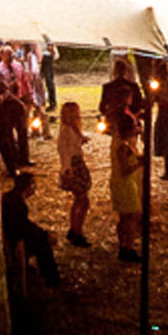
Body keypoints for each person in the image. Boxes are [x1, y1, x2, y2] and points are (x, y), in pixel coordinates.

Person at [1, 171, 61, 288]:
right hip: (13, 241)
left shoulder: (11, 197)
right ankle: (52, 280)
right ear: (29, 186)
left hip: (12, 234)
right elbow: (22, 227)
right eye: (34, 184)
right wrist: (44, 234)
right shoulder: (18, 204)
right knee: (43, 245)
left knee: (41, 239)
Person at [109, 111, 145, 262]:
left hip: (120, 182)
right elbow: (125, 169)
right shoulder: (122, 147)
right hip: (124, 183)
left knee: (124, 216)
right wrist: (139, 164)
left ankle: (123, 245)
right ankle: (128, 248)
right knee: (132, 216)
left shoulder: (120, 143)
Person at [56, 101, 92, 247]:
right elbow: (64, 151)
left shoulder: (71, 129)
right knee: (82, 200)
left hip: (77, 164)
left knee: (80, 200)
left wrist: (81, 141)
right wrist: (67, 169)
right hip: (73, 167)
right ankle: (76, 232)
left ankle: (74, 229)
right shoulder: (66, 131)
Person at [97, 54, 145, 133]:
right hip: (117, 118)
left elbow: (102, 107)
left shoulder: (108, 87)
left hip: (118, 118)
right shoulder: (132, 86)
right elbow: (138, 103)